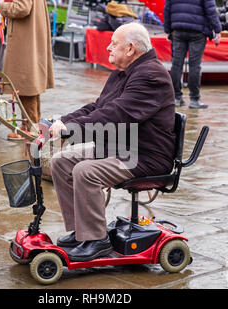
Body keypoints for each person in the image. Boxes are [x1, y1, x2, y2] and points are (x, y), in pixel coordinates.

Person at [49, 23, 176, 262]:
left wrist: (71, 129)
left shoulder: (151, 75)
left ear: (130, 48)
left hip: (145, 155)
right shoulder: (125, 71)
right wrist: (63, 122)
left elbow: (117, 115)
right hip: (122, 146)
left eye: (114, 43)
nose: (108, 47)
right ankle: (82, 232)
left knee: (86, 171)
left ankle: (97, 240)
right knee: (61, 162)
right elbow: (99, 107)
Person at [0, 0, 54, 134]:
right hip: (28, 36)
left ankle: (30, 128)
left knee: (25, 85)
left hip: (25, 40)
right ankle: (31, 125)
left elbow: (22, 8)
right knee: (29, 84)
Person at [163, 0, 222, 109]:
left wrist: (167, 29)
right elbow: (211, 11)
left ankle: (176, 98)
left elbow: (167, 9)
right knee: (194, 65)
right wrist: (217, 30)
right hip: (197, 31)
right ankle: (194, 99)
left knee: (176, 64)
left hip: (178, 29)